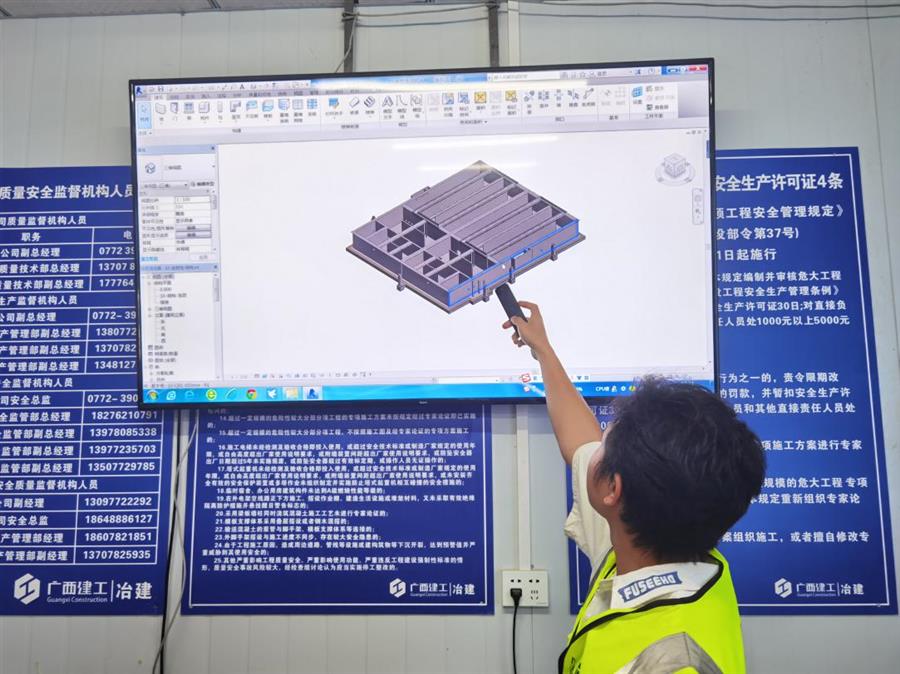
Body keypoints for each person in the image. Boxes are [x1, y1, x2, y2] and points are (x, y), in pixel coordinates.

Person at [503, 301, 765, 674]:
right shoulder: (652, 537)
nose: (594, 446)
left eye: (605, 441)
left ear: (613, 488)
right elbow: (580, 441)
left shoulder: (677, 664)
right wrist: (542, 349)